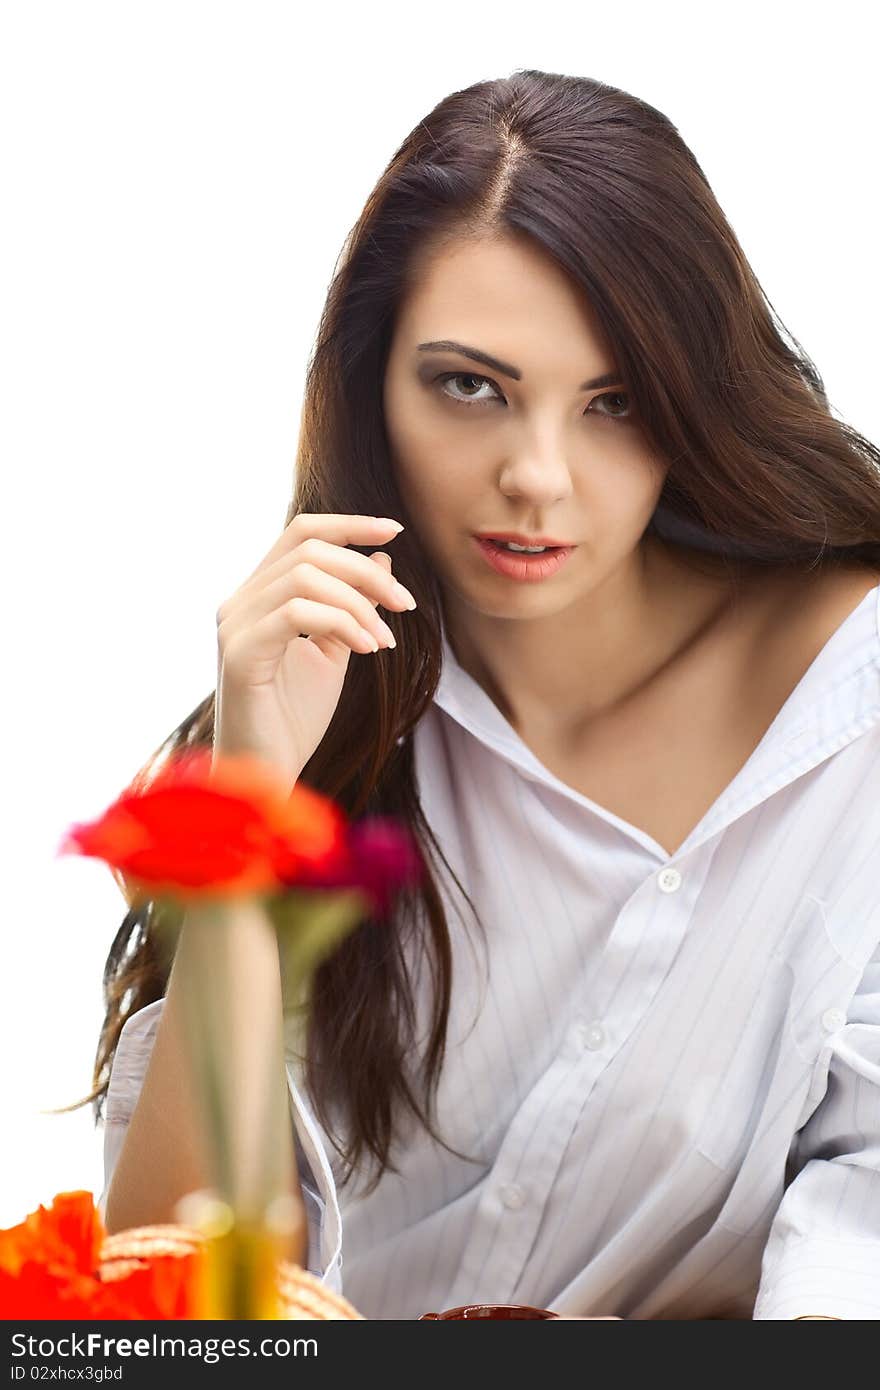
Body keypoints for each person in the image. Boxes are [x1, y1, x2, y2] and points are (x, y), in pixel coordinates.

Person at [82, 70, 880, 1320]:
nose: (537, 478)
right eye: (471, 386)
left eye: (613, 403)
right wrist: (244, 807)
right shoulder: (325, 709)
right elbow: (176, 1312)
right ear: (371, 384)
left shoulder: (854, 718)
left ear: (691, 399)